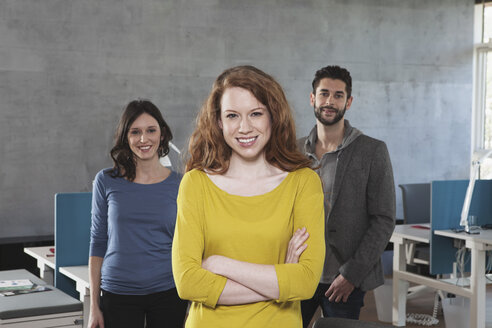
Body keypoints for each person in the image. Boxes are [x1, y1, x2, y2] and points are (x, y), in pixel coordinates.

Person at [172, 65, 326, 328]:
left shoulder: (303, 183)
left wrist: (220, 264)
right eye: (232, 116)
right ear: (219, 122)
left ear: (273, 117)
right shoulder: (195, 184)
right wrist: (280, 282)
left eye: (255, 113)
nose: (244, 127)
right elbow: (188, 283)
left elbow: (305, 282)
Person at [298, 65, 396, 326]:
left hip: (343, 278)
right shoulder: (293, 151)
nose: (330, 101)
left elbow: (384, 219)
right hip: (298, 273)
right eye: (324, 94)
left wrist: (351, 275)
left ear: (348, 102)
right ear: (312, 98)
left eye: (338, 95)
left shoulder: (372, 151)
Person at [88, 100, 188, 328]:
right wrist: (94, 306)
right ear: (126, 137)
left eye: (151, 130)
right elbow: (97, 242)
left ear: (162, 135)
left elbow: (188, 245)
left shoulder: (181, 183)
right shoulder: (106, 180)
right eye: (135, 132)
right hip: (117, 292)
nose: (144, 139)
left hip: (169, 292)